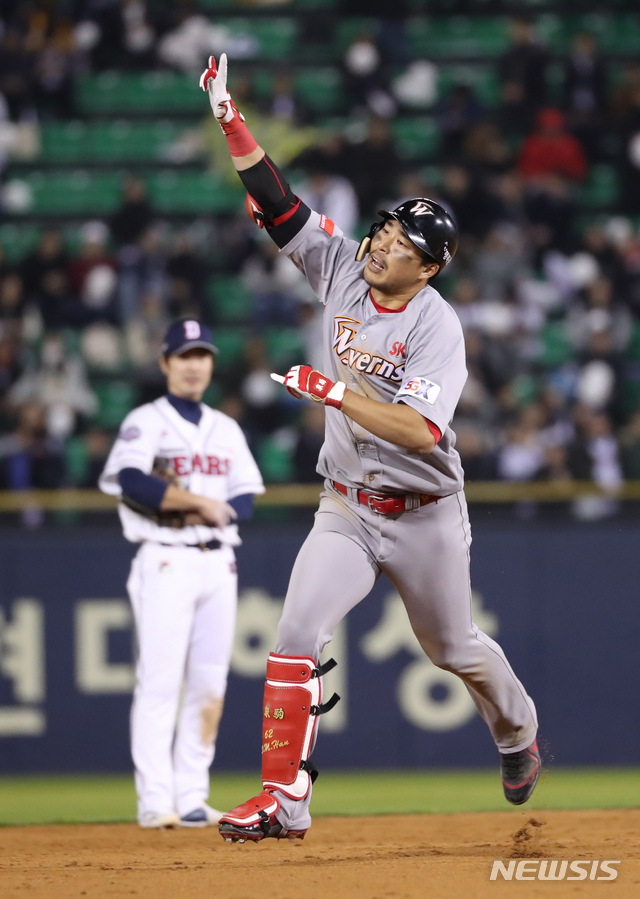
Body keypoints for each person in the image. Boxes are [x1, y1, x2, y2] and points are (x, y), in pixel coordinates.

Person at [199, 54, 540, 844]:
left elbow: (422, 431)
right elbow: (278, 203)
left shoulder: (436, 325)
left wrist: (333, 394)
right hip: (346, 504)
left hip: (424, 513)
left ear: (429, 266)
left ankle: (516, 729)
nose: (385, 239)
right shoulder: (346, 267)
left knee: (453, 646)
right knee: (292, 635)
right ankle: (285, 803)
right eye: (388, 225)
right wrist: (230, 119)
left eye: (403, 239)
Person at [99, 317, 265, 829]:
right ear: (165, 363)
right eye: (184, 355)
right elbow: (130, 482)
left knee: (209, 683)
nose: (194, 365)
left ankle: (192, 796)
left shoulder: (226, 428)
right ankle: (155, 800)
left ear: (211, 364)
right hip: (165, 555)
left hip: (219, 561)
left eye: (202, 355)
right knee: (160, 681)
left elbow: (243, 500)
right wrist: (198, 503)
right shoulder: (145, 421)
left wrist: (200, 507)